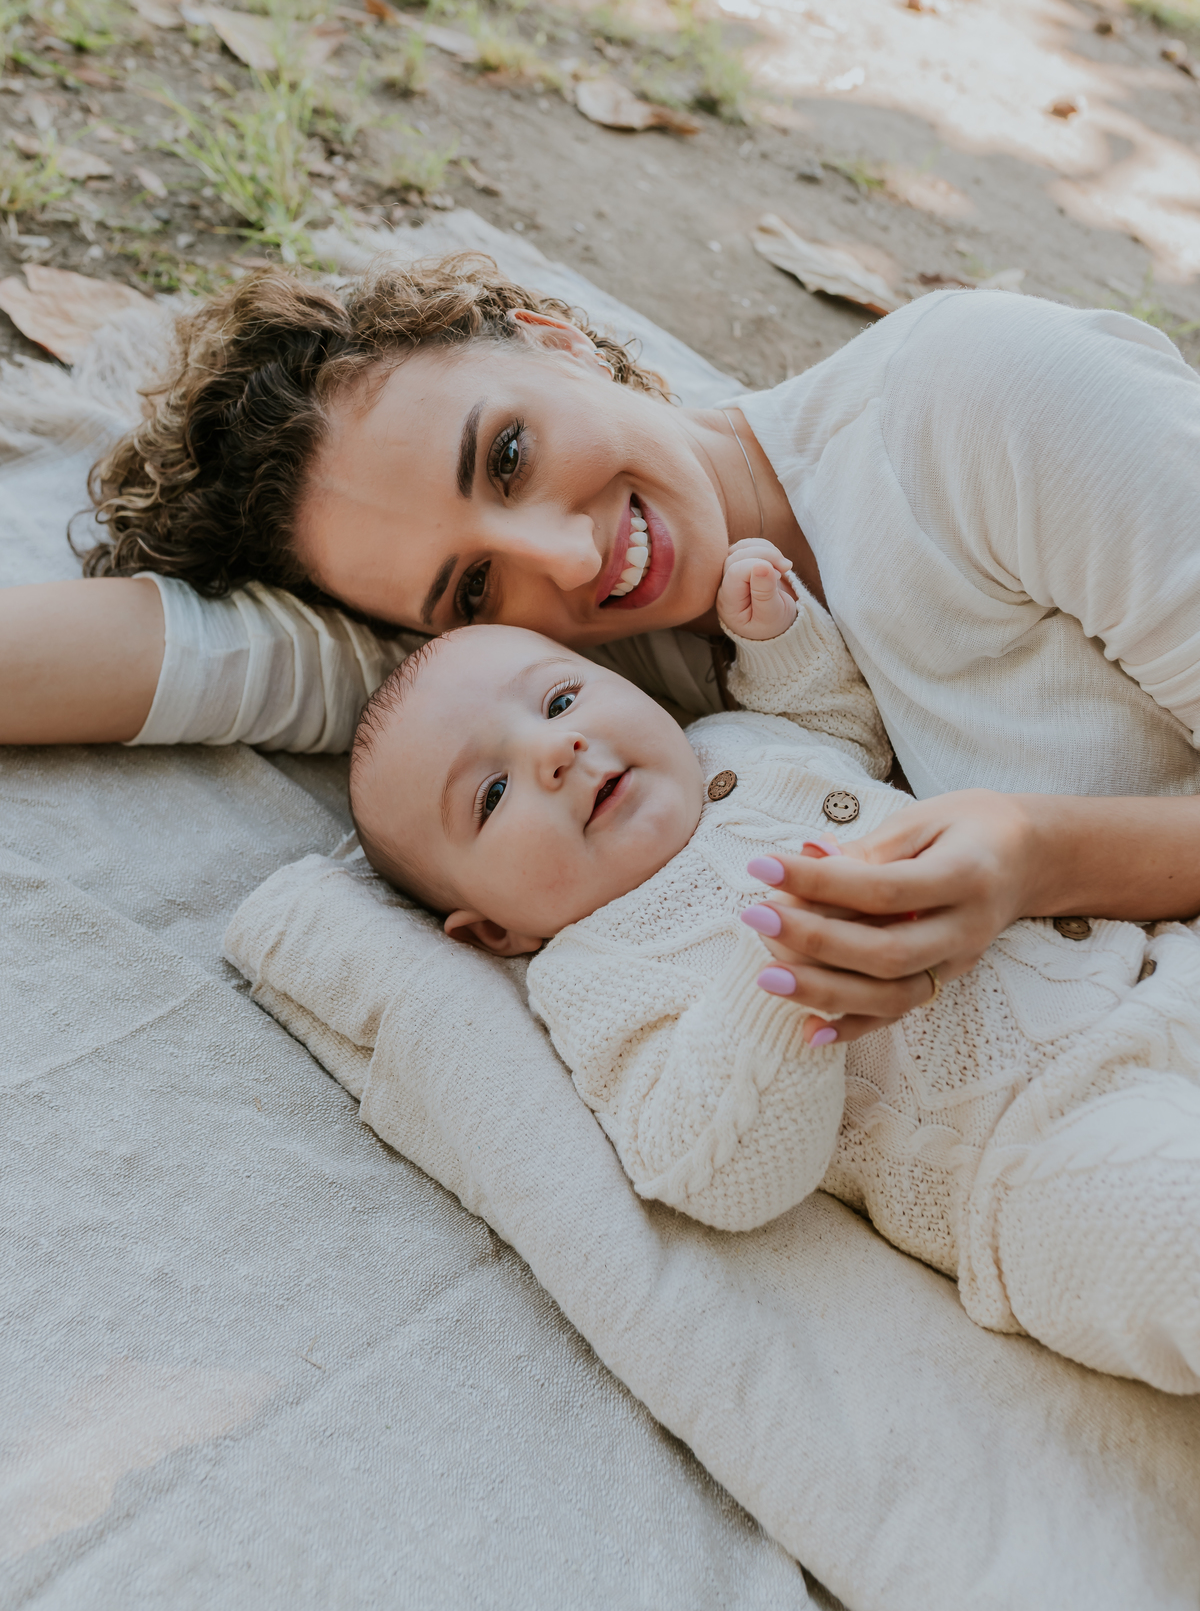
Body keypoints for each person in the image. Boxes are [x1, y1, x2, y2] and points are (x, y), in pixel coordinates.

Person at [6, 253, 1200, 1039]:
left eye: (507, 456)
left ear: (558, 340)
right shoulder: (559, 698)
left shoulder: (983, 403)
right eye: (472, 584)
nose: (571, 559)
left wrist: (1039, 856)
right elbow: (204, 660)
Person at [343, 541, 1200, 1394]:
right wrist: (777, 980)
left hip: (1155, 967)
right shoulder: (588, 976)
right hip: (1034, 1162)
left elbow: (841, 730)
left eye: (561, 699)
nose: (555, 749)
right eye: (492, 794)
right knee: (1172, 1225)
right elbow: (713, 1169)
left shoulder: (730, 739)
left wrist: (780, 640)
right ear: (493, 932)